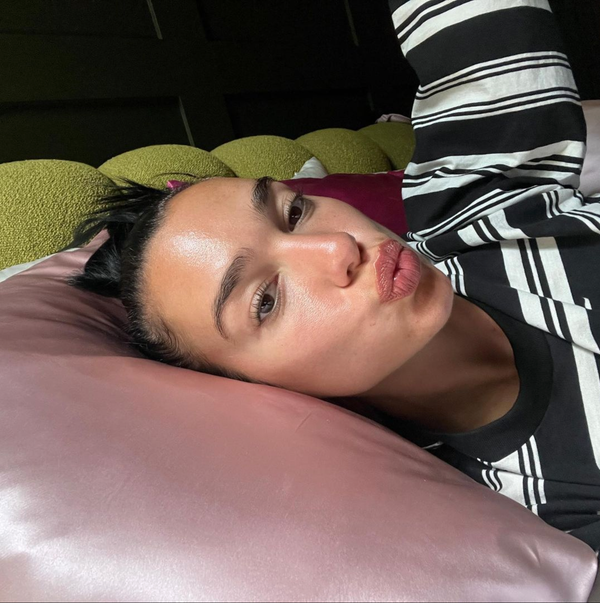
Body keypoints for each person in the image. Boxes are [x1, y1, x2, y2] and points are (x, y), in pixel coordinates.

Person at [64, 0, 600, 551]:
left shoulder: (467, 211)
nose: (337, 247)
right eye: (266, 300)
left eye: (294, 212)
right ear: (255, 392)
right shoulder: (528, 516)